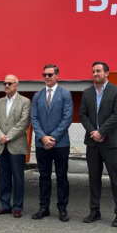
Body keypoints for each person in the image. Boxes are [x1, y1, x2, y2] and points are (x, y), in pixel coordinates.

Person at [79, 61, 117, 227]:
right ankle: (94, 211)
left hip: (111, 142)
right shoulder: (87, 92)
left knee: (116, 179)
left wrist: (102, 132)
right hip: (93, 142)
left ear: (107, 73)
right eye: (93, 71)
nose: (95, 74)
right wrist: (94, 132)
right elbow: (83, 115)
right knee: (94, 178)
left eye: (98, 71)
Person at [30, 64, 73, 222]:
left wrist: (53, 137)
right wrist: (43, 137)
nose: (47, 77)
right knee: (44, 176)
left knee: (62, 176)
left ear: (57, 76)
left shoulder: (65, 94)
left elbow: (67, 118)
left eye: (50, 74)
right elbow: (34, 118)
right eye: (45, 75)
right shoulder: (37, 96)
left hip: (60, 144)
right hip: (42, 144)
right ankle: (44, 208)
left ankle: (62, 209)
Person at [0, 74, 32, 218]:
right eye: (5, 83)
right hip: (2, 145)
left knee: (18, 178)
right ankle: (4, 205)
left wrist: (8, 137)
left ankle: (18, 206)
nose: (7, 85)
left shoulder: (25, 101)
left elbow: (24, 122)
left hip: (16, 145)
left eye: (10, 83)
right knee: (3, 177)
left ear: (17, 85)